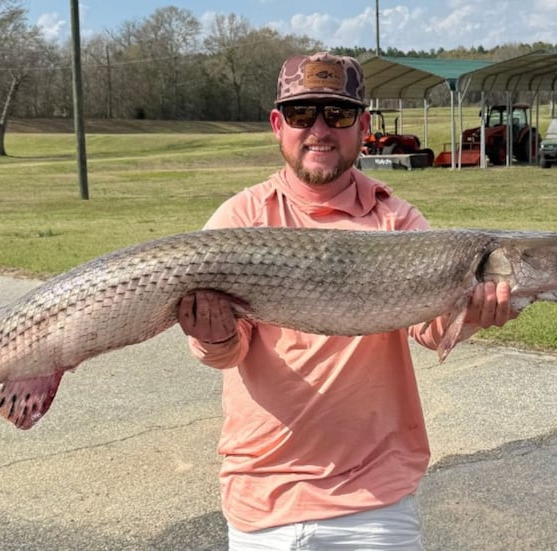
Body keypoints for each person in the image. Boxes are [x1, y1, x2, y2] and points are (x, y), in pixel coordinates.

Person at [176, 52, 515, 550]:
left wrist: (474, 315)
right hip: (261, 493)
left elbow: (429, 329)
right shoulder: (241, 216)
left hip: (374, 500)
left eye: (337, 114)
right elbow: (225, 354)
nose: (319, 129)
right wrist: (213, 334)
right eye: (300, 114)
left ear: (363, 125)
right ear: (278, 124)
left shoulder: (396, 221)